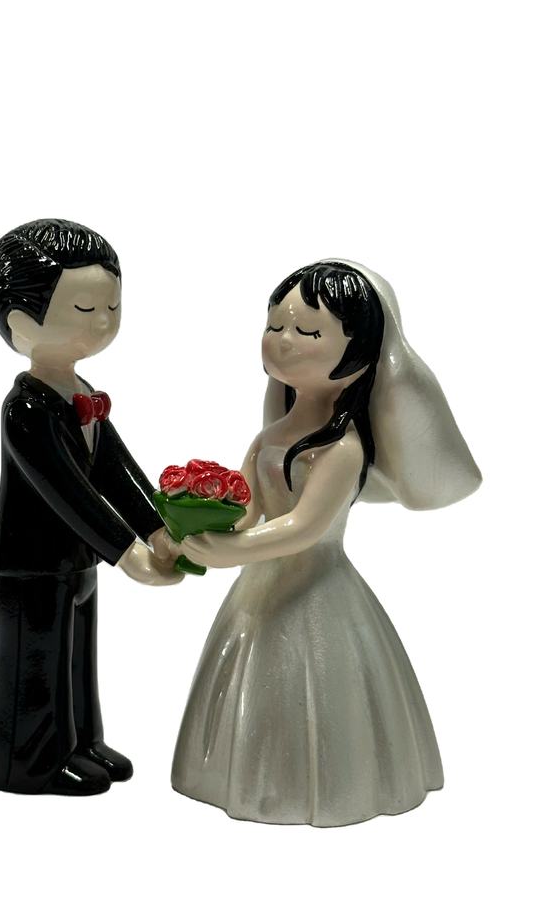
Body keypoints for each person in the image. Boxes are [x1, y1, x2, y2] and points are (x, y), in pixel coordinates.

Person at [168, 260, 481, 826]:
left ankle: (322, 786)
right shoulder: (269, 436)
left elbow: (305, 528)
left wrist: (235, 550)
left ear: (358, 352)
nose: (283, 340)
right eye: (275, 326)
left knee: (316, 686)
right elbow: (250, 511)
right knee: (255, 687)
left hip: (315, 586)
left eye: (307, 331)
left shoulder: (342, 448)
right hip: (259, 587)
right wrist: (204, 527)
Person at [0, 218, 181, 797]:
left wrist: (158, 528)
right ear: (22, 323)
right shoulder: (25, 411)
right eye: (85, 310)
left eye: (112, 307)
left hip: (79, 559)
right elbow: (69, 490)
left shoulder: (83, 395)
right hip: (32, 566)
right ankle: (27, 762)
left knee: (77, 660)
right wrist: (129, 554)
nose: (104, 323)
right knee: (35, 665)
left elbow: (117, 472)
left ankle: (81, 741)